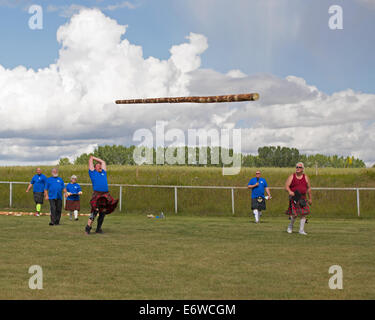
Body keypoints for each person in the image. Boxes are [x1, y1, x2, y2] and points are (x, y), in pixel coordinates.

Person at [85, 155, 118, 235]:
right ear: (95, 168)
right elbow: (90, 163)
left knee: (103, 212)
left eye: (100, 166)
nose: (100, 166)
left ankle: (98, 229)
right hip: (97, 194)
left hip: (105, 195)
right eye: (98, 166)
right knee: (94, 212)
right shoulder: (92, 173)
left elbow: (103, 162)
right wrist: (91, 158)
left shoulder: (103, 172)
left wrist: (96, 159)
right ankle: (88, 228)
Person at [285, 162, 312, 235]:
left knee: (303, 214)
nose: (297, 168)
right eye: (297, 167)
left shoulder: (305, 177)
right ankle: (290, 227)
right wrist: (290, 191)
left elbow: (309, 188)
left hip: (303, 198)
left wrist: (310, 199)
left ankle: (301, 230)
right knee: (295, 214)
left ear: (302, 169)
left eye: (299, 167)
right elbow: (286, 186)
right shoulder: (292, 176)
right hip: (294, 197)